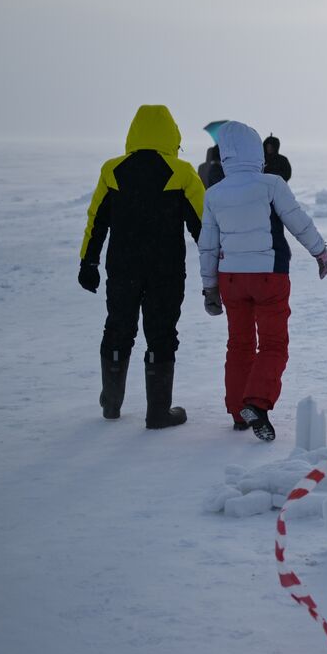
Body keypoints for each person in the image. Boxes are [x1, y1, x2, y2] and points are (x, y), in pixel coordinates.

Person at [199, 121, 327, 441]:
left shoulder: (214, 193)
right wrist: (320, 252)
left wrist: (209, 286)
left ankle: (237, 411)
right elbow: (298, 220)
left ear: (225, 154)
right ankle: (256, 403)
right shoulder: (271, 184)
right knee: (272, 344)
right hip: (269, 275)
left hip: (231, 279)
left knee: (239, 344)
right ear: (256, 150)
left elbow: (208, 244)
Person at [78, 104, 204, 428]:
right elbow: (204, 227)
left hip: (123, 266)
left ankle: (112, 404)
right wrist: (217, 269)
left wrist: (88, 261)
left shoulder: (112, 170)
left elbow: (97, 221)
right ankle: (158, 412)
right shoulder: (183, 172)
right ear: (172, 134)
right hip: (166, 270)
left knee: (118, 327)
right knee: (161, 333)